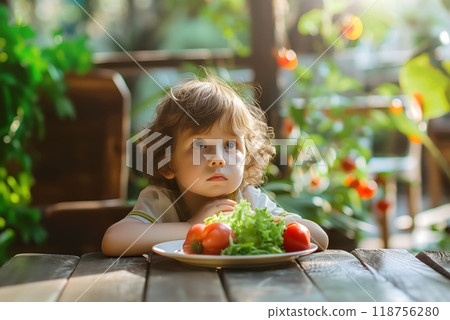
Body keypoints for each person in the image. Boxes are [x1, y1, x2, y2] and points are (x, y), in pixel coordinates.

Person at [102, 74, 329, 256]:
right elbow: (114, 240)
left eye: (230, 145)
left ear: (247, 156)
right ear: (169, 163)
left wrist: (272, 224)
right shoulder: (161, 200)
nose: (218, 158)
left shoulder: (247, 199)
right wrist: (192, 226)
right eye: (200, 145)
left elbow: (319, 237)